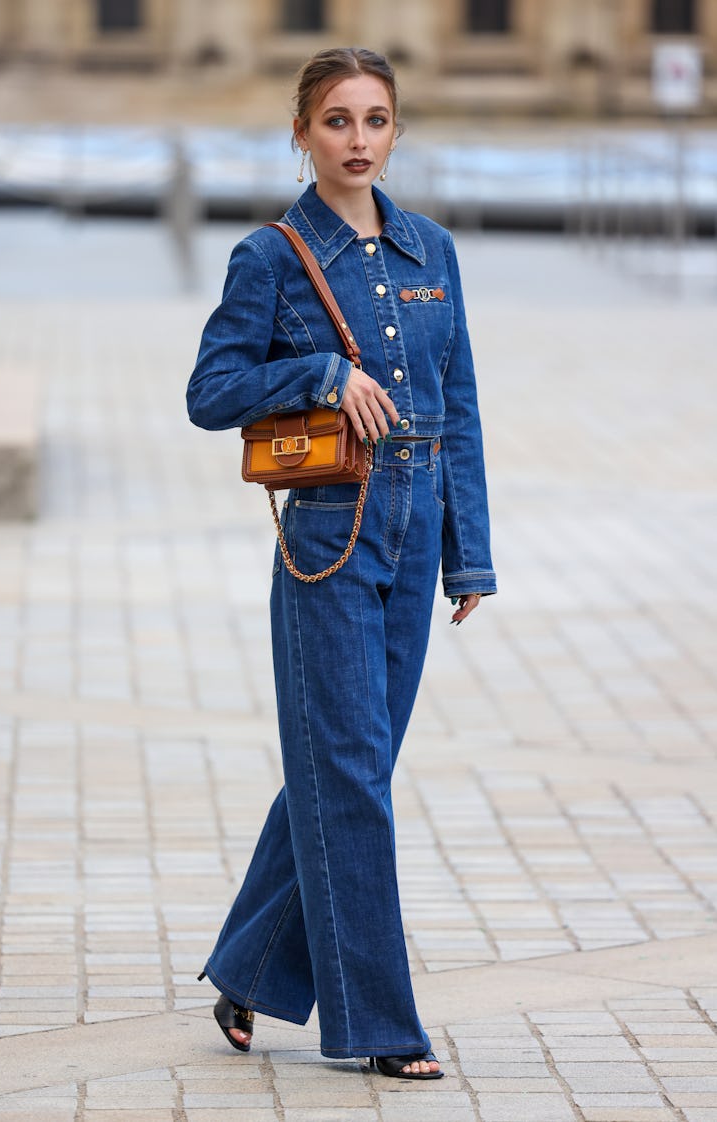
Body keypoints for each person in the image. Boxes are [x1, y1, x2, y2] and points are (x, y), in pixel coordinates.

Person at [187, 46, 496, 1080]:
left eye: (374, 121)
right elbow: (210, 390)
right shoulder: (269, 256)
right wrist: (320, 371)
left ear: (395, 130)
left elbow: (457, 411)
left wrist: (471, 557)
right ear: (301, 133)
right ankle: (377, 1027)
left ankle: (251, 965)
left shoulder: (431, 252)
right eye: (336, 121)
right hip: (328, 536)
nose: (357, 140)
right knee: (353, 777)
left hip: (413, 541)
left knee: (343, 772)